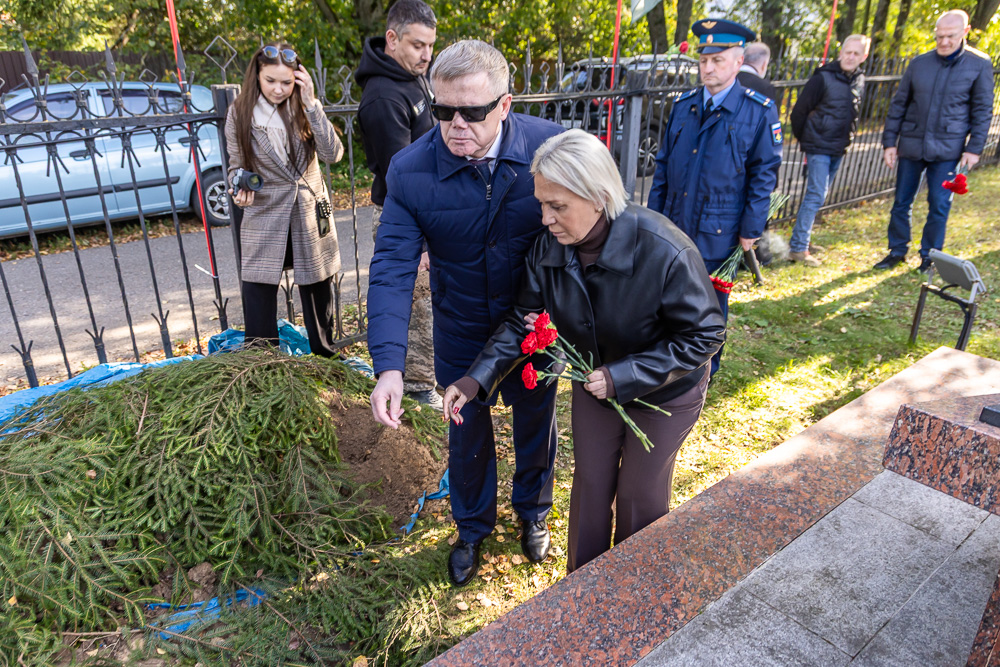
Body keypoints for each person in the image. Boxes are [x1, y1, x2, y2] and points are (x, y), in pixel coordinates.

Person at [441, 130, 725, 573]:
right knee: (590, 487)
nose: (545, 218)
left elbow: (705, 334)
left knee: (640, 495)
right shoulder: (548, 249)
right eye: (541, 204)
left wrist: (623, 376)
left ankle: (634, 586)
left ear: (598, 197)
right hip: (595, 385)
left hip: (665, 393)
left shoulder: (664, 249)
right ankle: (581, 587)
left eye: (557, 206)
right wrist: (474, 378)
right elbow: (522, 320)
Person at [367, 40, 564, 587]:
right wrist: (389, 365)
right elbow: (391, 268)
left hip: (533, 325)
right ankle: (472, 527)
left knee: (536, 421)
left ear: (505, 105)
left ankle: (533, 510)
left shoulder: (550, 149)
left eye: (473, 112)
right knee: (466, 432)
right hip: (461, 324)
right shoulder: (411, 170)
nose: (456, 126)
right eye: (443, 110)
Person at [647, 18, 782, 377]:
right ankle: (669, 360)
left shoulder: (758, 111)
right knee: (668, 292)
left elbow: (763, 175)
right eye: (703, 60)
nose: (708, 68)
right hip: (674, 220)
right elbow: (663, 166)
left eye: (717, 60)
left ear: (738, 62)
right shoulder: (684, 104)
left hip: (719, 225)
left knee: (709, 302)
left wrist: (751, 229)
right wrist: (652, 218)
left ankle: (705, 368)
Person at [225, 43, 344, 357]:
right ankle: (263, 362)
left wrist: (312, 104)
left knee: (318, 287)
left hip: (308, 209)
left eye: (286, 82)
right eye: (270, 81)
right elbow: (235, 166)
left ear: (298, 79)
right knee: (258, 291)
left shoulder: (305, 108)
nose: (278, 89)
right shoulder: (240, 112)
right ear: (257, 76)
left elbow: (333, 154)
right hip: (266, 210)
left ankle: (326, 357)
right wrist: (239, 186)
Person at [356, 0, 441, 409]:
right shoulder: (383, 98)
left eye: (431, 46)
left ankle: (426, 380)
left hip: (428, 211)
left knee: (432, 300)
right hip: (404, 216)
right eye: (417, 45)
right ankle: (418, 393)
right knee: (416, 304)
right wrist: (421, 241)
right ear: (392, 38)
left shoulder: (412, 76)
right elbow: (400, 178)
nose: (426, 55)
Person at [877, 9, 994, 273]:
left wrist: (974, 149)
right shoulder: (919, 63)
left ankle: (929, 256)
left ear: (965, 32)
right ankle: (896, 251)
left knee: (939, 205)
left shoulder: (979, 64)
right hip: (912, 144)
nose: (944, 42)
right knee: (901, 202)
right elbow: (899, 104)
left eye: (950, 36)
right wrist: (890, 142)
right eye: (939, 36)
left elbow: (982, 110)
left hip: (948, 149)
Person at [788, 34, 870, 267]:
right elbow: (799, 112)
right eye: (847, 52)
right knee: (816, 194)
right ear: (840, 52)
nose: (850, 57)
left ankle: (802, 239)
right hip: (818, 145)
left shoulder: (858, 79)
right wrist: (805, 139)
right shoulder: (822, 77)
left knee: (819, 195)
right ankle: (798, 248)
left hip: (839, 145)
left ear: (863, 56)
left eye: (856, 53)